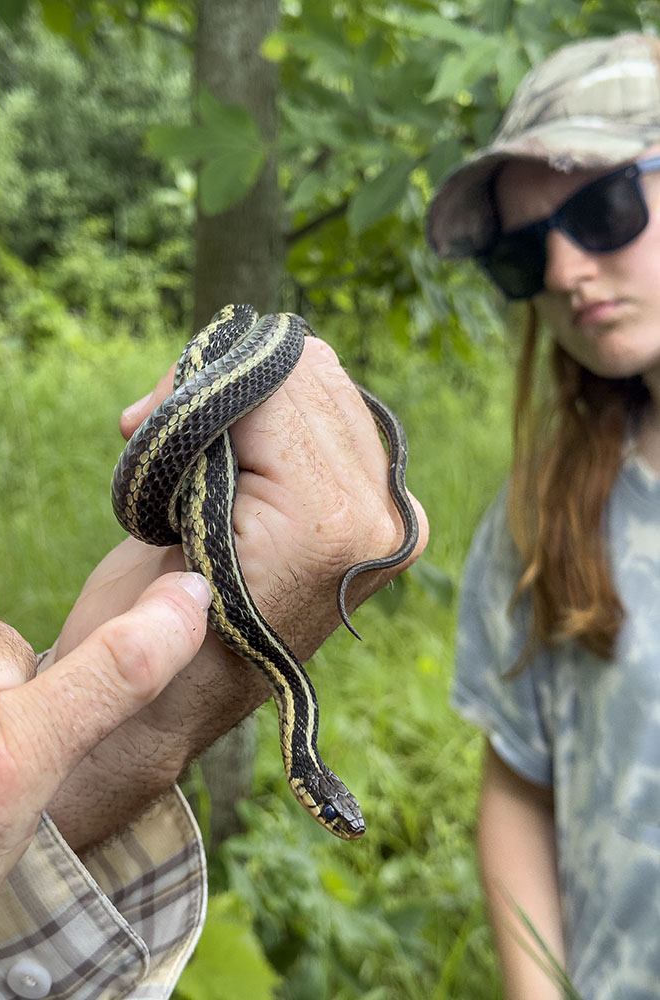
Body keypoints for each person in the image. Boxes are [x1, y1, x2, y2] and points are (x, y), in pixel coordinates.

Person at [0, 334, 428, 998]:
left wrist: (118, 746)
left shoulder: (285, 691)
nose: (336, 822)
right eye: (331, 814)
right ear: (308, 786)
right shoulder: (286, 689)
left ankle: (231, 351)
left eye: (335, 817)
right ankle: (235, 346)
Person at [427, 31, 660, 1000]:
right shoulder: (542, 520)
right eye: (523, 252)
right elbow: (521, 786)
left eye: (604, 209)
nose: (565, 269)